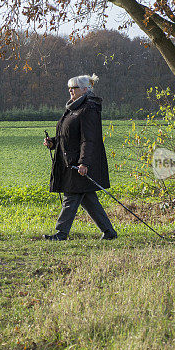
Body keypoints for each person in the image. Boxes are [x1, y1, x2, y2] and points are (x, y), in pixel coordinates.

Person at [42, 74, 118, 241]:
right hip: (71, 161)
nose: (70, 90)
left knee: (71, 196)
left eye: (74, 87)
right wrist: (53, 143)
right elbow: (69, 135)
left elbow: (88, 139)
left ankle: (61, 234)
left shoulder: (88, 109)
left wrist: (84, 162)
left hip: (79, 163)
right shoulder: (74, 108)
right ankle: (109, 232)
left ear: (85, 89)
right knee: (89, 199)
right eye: (69, 87)